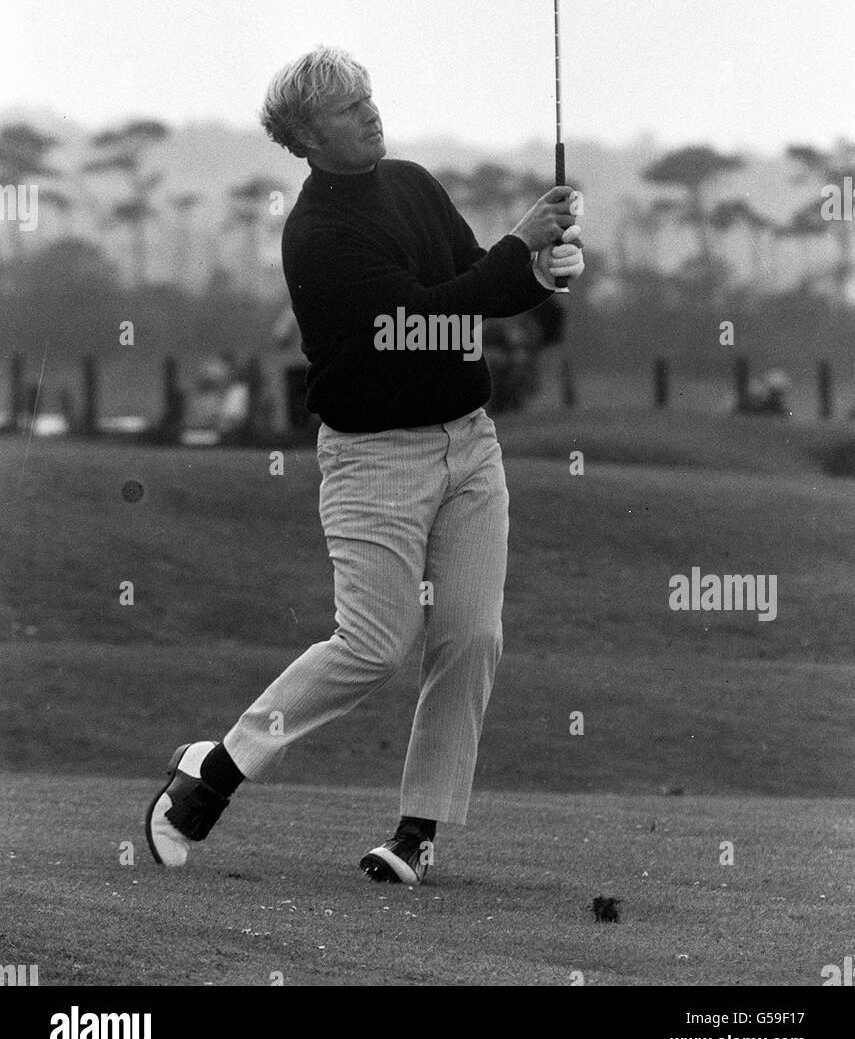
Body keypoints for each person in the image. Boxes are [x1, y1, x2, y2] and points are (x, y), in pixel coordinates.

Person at [145, 46, 584, 885]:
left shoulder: (413, 183)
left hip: (469, 442)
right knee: (374, 644)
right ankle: (217, 770)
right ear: (307, 138)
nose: (371, 115)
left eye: (370, 99)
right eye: (349, 110)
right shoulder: (317, 236)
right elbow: (420, 317)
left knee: (470, 635)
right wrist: (515, 245)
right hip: (374, 459)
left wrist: (541, 271)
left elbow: (477, 289)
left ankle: (417, 832)